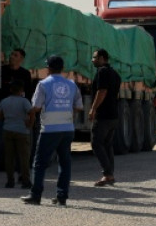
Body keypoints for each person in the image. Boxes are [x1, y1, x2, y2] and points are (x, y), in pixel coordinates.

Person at [22, 55, 82, 206]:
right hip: (67, 129)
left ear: (48, 68)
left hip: (49, 129)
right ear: (62, 68)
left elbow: (35, 106)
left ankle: (35, 195)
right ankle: (62, 196)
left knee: (40, 163)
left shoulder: (43, 84)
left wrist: (30, 118)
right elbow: (79, 106)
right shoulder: (72, 84)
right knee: (64, 162)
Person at [0, 48, 33, 185]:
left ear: (21, 58)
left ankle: (22, 175)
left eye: (15, 55)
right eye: (11, 54)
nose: (11, 57)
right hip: (3, 111)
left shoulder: (25, 74)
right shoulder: (2, 71)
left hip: (19, 115)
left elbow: (29, 95)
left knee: (20, 147)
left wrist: (28, 117)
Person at [88, 48, 121, 187]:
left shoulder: (102, 72)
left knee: (96, 143)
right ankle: (110, 174)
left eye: (94, 57)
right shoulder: (115, 73)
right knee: (107, 145)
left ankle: (107, 174)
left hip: (103, 115)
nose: (92, 60)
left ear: (102, 58)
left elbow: (102, 91)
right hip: (113, 114)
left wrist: (93, 109)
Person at [0, 81, 33, 189]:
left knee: (9, 158)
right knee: (24, 158)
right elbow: (32, 112)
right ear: (21, 91)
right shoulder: (24, 101)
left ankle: (10, 181)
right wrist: (30, 124)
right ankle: (25, 181)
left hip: (8, 130)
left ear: (11, 90)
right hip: (22, 131)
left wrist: (6, 120)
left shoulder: (4, 101)